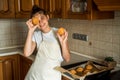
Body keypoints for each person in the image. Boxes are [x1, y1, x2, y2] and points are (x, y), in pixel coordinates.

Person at [24, 5, 70, 80]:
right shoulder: (36, 35)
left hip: (51, 76)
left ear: (47, 17)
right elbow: (26, 53)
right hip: (34, 76)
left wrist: (63, 42)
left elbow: (67, 58)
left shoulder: (59, 33)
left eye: (42, 18)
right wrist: (30, 31)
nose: (40, 22)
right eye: (37, 20)